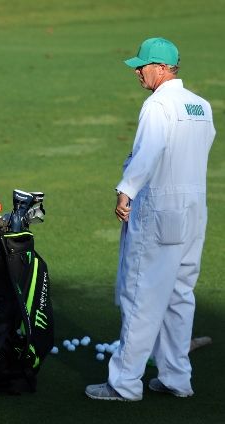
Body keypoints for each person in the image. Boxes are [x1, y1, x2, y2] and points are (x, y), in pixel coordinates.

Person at [85, 37, 216, 401]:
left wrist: (126, 189)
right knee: (179, 295)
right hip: (194, 213)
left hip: (159, 211)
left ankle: (124, 383)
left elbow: (149, 152)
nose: (137, 72)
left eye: (142, 66)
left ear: (161, 68)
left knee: (140, 295)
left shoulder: (158, 105)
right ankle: (177, 378)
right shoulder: (201, 106)